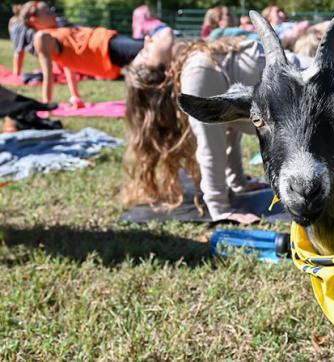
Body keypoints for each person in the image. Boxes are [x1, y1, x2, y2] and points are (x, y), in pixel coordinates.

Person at [124, 34, 271, 224]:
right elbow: (211, 145)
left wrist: (238, 182)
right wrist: (220, 208)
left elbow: (229, 125)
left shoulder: (197, 62)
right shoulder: (196, 71)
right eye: (145, 52)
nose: (147, 38)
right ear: (163, 73)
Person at [21, 1, 149, 108]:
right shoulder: (42, 37)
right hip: (104, 47)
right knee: (154, 47)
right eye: (47, 13)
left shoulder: (55, 31)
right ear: (34, 20)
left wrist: (75, 96)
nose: (53, 13)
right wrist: (46, 104)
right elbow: (48, 74)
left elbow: (68, 63)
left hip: (106, 40)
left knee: (153, 46)